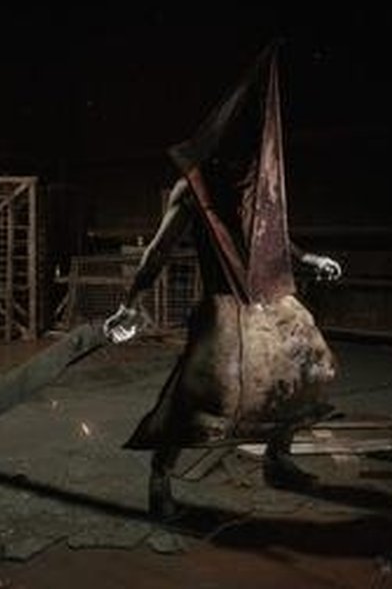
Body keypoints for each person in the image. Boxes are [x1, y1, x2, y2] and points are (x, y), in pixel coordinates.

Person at [103, 43, 343, 519]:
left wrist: (307, 257)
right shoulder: (193, 188)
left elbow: (269, 238)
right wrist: (131, 302)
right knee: (197, 392)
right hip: (224, 303)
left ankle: (277, 459)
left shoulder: (253, 181)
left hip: (268, 297)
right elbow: (158, 250)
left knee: (305, 369)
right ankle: (160, 476)